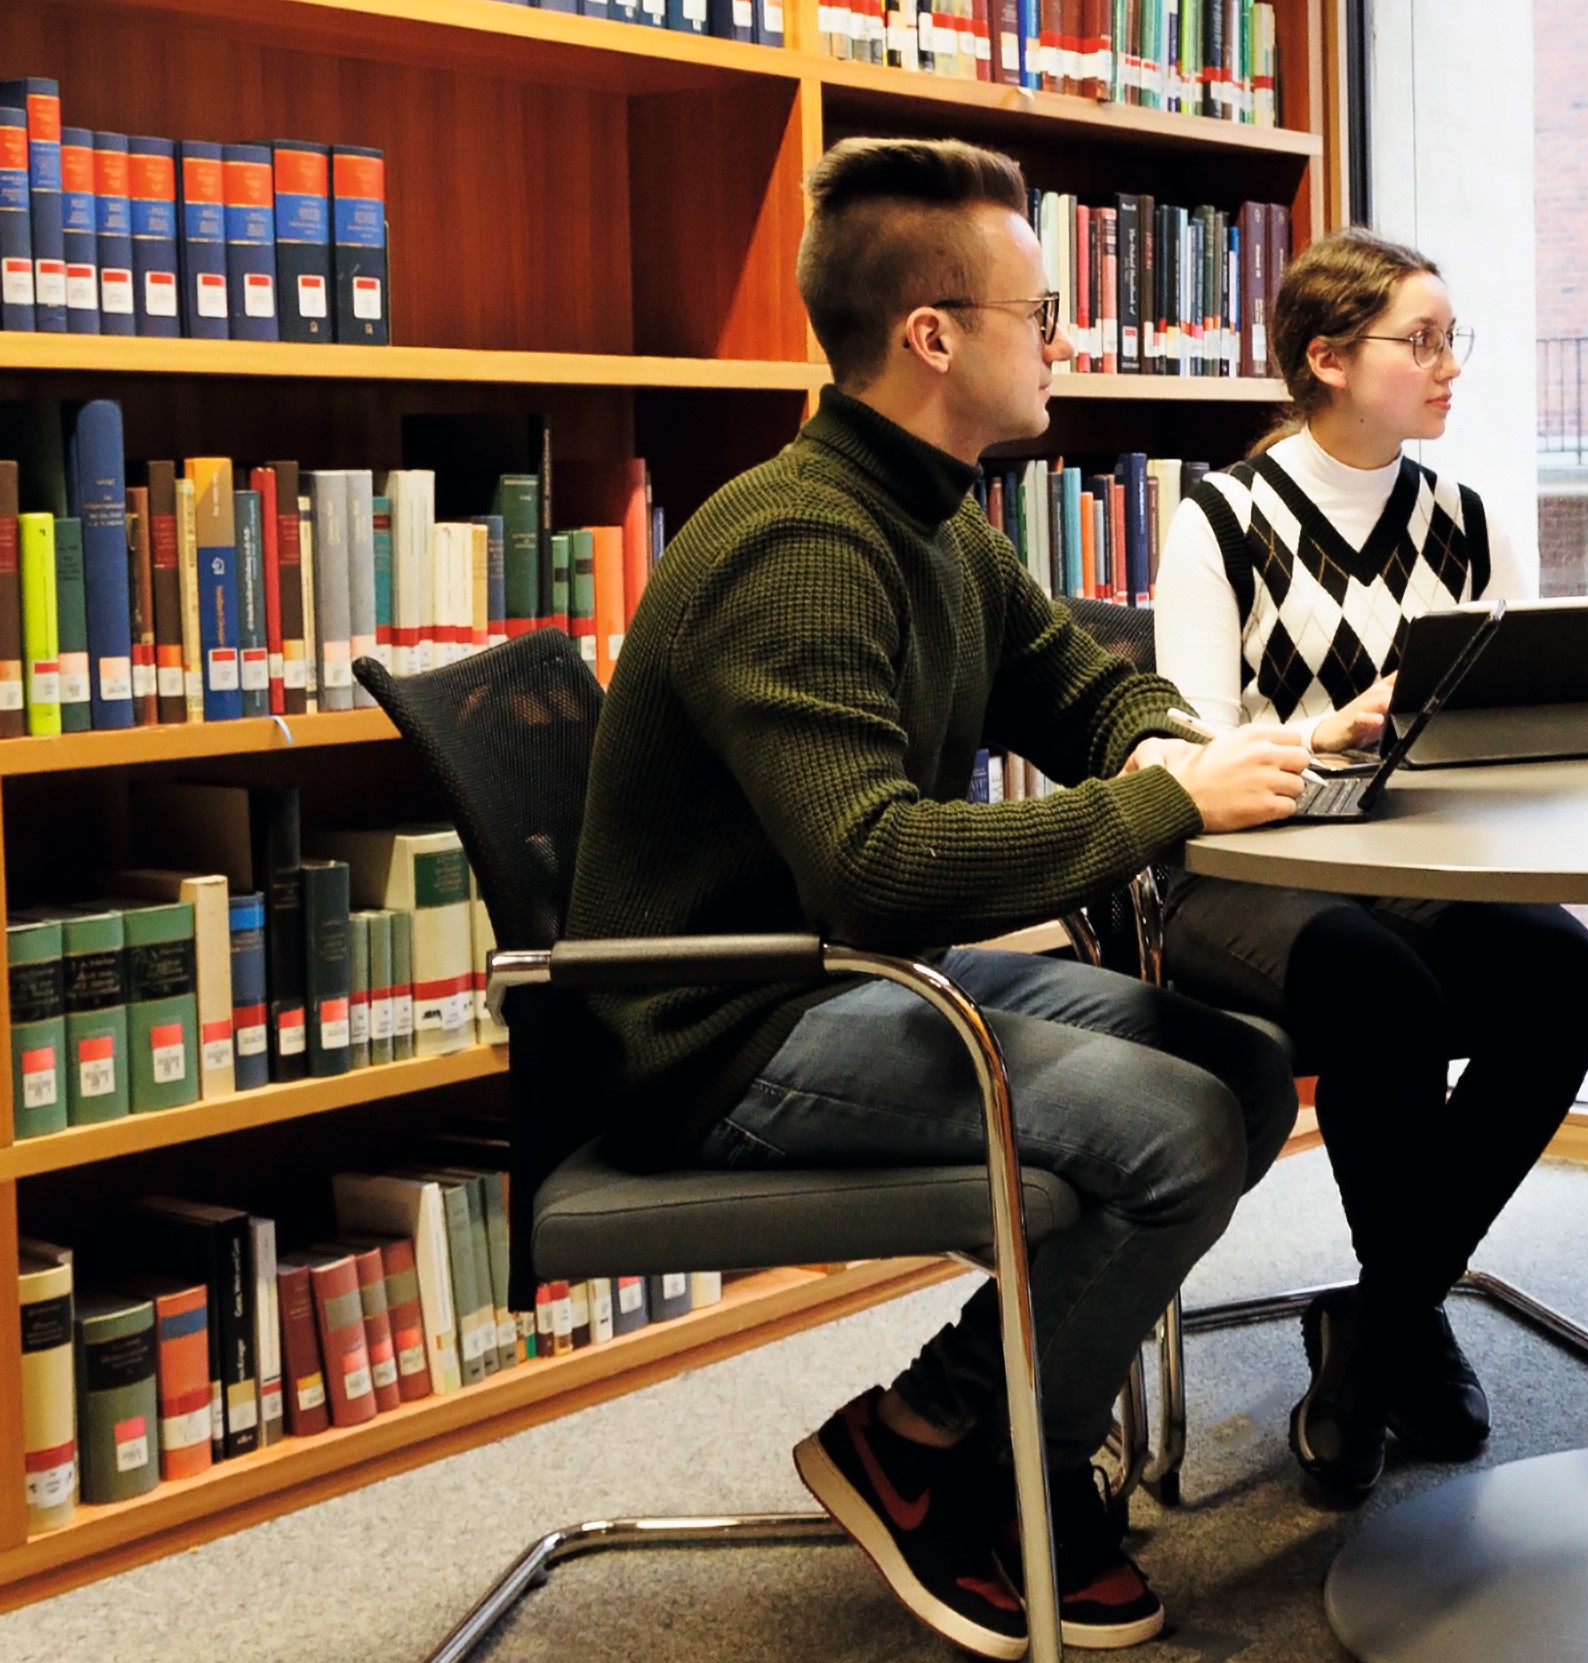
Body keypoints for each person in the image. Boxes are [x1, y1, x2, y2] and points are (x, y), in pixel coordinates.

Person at [567, 137, 1315, 1659]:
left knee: (1236, 1058)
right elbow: (880, 858)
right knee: (1174, 1132)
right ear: (933, 335)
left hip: (849, 970)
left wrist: (1178, 740)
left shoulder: (930, 515)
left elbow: (1079, 687)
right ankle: (976, 1459)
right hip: (728, 1018)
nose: (1064, 340)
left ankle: (934, 1432)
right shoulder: (797, 544)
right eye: (1040, 313)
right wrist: (1168, 798)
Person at [1151, 229, 1588, 1509]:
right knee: (1382, 989)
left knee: (1569, 979)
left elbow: (1509, 723)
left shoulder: (1465, 522)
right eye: (1423, 340)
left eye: (1453, 338)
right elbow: (1180, 746)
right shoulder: (1220, 521)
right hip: (1244, 876)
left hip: (1425, 871)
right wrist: (1324, 730)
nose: (1449, 365)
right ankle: (1405, 1324)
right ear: (1328, 359)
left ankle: (1379, 1315)